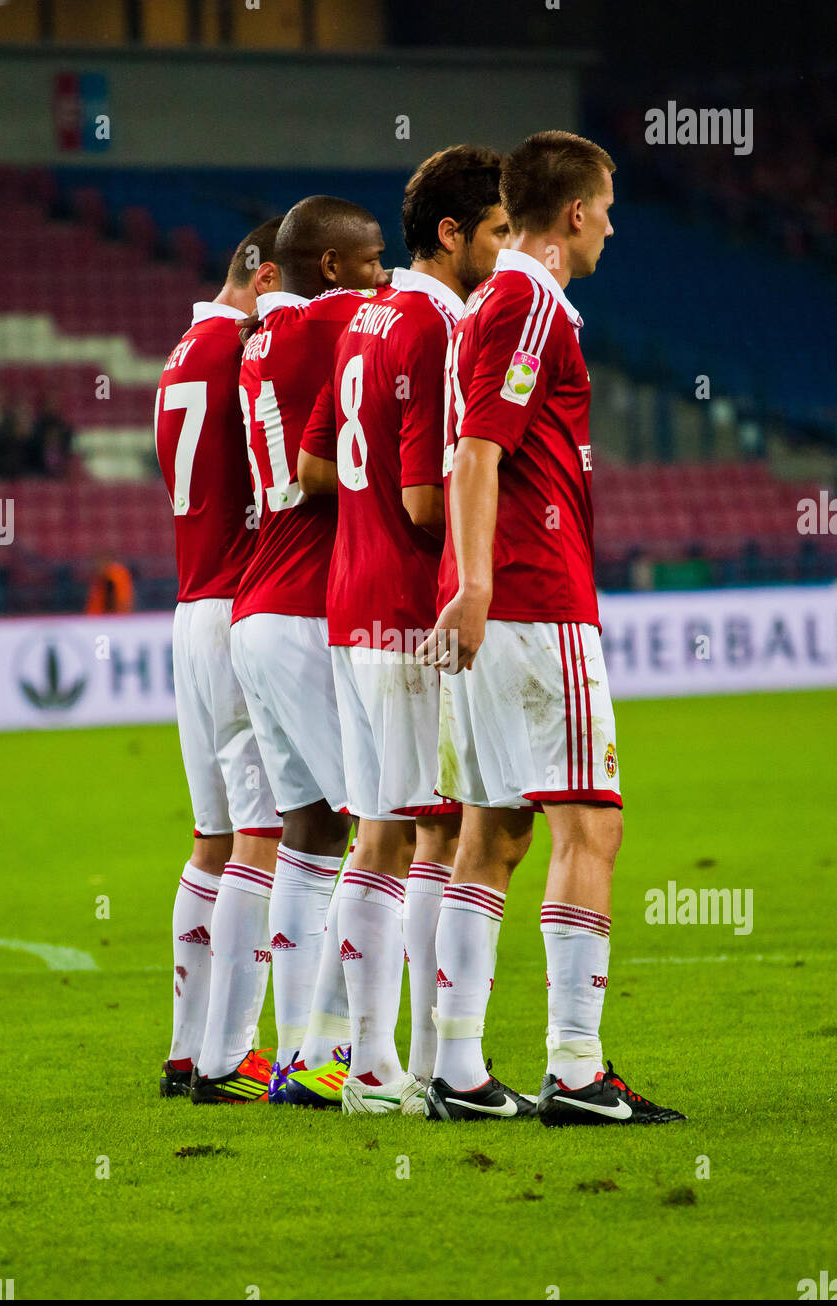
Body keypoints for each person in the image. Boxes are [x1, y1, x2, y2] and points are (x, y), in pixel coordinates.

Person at [418, 131, 685, 1125]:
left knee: (491, 832)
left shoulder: (484, 300)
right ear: (570, 213)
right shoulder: (529, 298)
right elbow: (480, 451)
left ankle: (454, 1066)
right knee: (592, 822)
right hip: (531, 597)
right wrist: (480, 582)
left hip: (496, 602)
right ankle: (575, 1068)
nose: (612, 225)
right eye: (605, 206)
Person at [298, 146, 509, 1115]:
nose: (506, 253)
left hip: (349, 596)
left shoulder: (366, 316)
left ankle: (370, 1060)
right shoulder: (437, 323)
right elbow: (428, 500)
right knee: (427, 830)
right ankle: (399, 1067)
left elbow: (330, 468)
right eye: (498, 232)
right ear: (452, 235)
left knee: (387, 831)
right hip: (405, 608)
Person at [229, 196, 389, 1104]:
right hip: (303, 611)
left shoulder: (263, 335)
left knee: (312, 831)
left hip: (261, 601)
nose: (381, 271)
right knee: (383, 827)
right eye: (369, 259)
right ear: (329, 267)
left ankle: (298, 1054)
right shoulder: (337, 319)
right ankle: (339, 1053)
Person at [154, 218, 285, 1105]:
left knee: (211, 839)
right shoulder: (242, 349)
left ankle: (185, 1047)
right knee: (265, 836)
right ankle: (227, 1057)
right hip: (241, 608)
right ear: (264, 271)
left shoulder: (180, 351)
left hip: (190, 608)